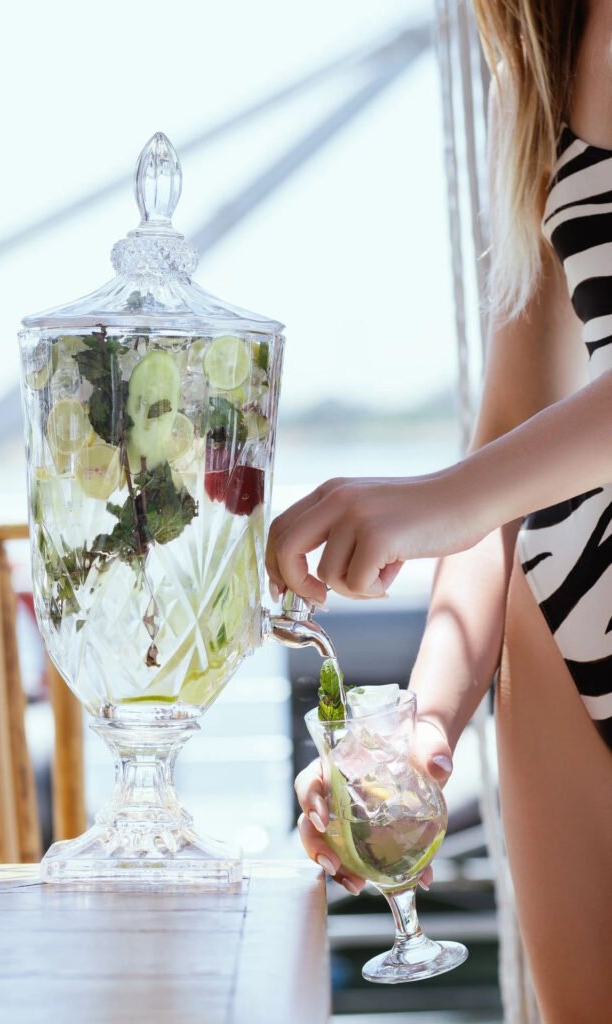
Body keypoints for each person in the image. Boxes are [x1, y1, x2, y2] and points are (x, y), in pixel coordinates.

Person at [266, 2, 612, 1020]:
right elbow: (510, 433)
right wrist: (419, 729)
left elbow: (469, 490)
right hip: (562, 628)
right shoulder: (543, 62)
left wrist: (434, 501)